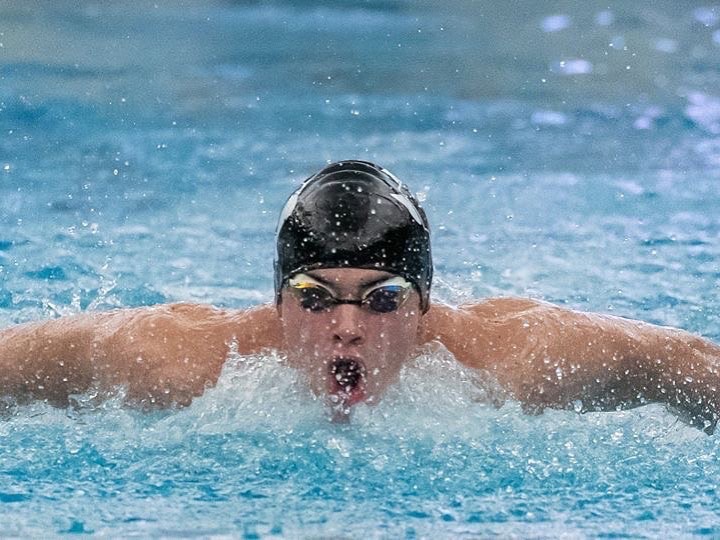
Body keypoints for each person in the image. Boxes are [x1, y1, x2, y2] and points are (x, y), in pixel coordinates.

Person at [1, 160, 719, 432]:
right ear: (277, 305)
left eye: (381, 300)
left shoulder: (516, 359)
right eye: (315, 298)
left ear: (425, 307)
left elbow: (693, 364)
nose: (346, 330)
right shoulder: (178, 362)